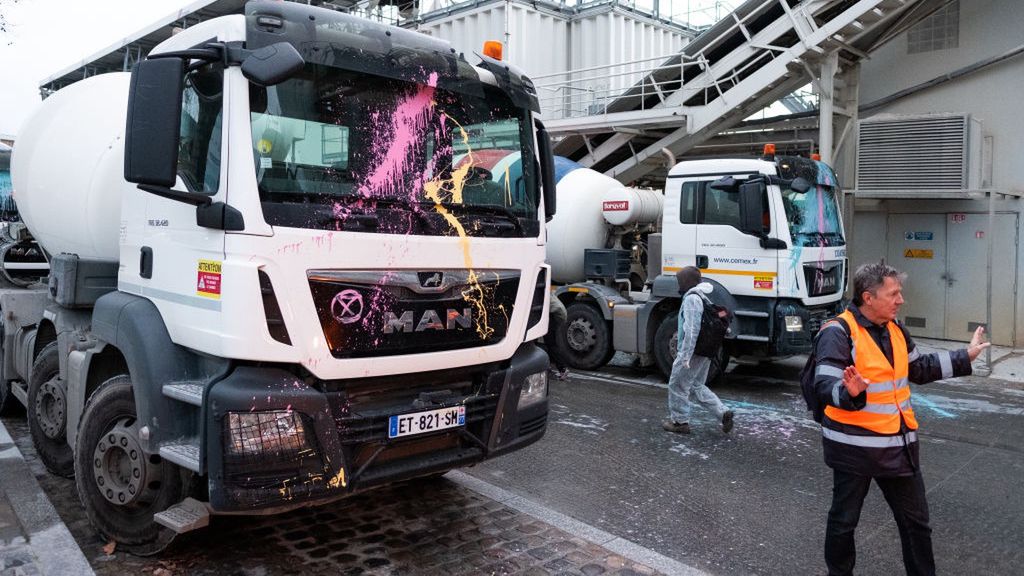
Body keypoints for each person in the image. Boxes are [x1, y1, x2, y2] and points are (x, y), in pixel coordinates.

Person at [812, 262, 989, 576]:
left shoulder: (895, 329)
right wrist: (849, 391)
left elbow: (919, 368)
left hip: (898, 446)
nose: (900, 300)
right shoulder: (837, 332)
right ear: (868, 297)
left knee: (916, 524)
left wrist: (965, 356)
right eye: (893, 294)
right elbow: (824, 386)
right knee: (844, 522)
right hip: (854, 450)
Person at [662, 266, 734, 434]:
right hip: (705, 350)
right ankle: (722, 413)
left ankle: (680, 422)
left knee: (677, 384)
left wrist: (685, 356)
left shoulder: (691, 299)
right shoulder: (702, 296)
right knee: (696, 385)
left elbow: (692, 330)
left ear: (687, 282)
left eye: (680, 281)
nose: (678, 285)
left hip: (693, 352)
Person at [544, 295, 570, 380]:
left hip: (550, 317)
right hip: (553, 316)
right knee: (550, 344)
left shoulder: (540, 291)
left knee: (551, 344)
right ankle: (548, 367)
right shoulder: (547, 291)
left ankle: (563, 369)